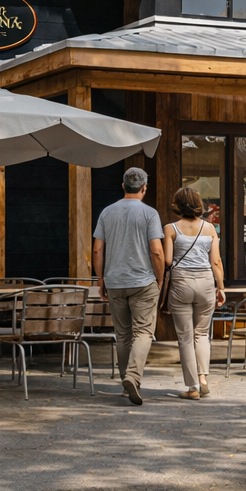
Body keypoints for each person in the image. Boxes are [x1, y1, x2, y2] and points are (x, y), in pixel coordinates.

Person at [93, 166, 164, 405]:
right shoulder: (150, 214)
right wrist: (160, 277)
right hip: (143, 282)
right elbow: (156, 250)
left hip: (114, 282)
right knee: (143, 332)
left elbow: (97, 249)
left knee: (122, 335)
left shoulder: (106, 212)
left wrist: (101, 279)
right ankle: (133, 377)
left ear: (123, 186)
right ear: (144, 188)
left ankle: (126, 383)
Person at [163, 187, 225, 399]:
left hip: (181, 283)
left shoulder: (170, 229)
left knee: (186, 337)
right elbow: (216, 261)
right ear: (198, 203)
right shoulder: (210, 229)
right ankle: (203, 378)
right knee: (202, 334)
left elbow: (168, 261)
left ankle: (192, 388)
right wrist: (221, 287)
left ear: (178, 205)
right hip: (206, 283)